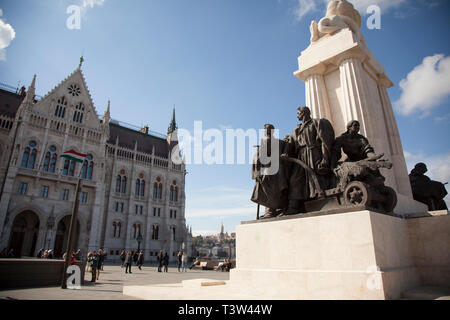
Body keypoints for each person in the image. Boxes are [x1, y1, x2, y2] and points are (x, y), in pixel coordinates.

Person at [282, 106, 335, 214]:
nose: (297, 115)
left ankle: (321, 202)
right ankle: (293, 207)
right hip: (301, 157)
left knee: (317, 177)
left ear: (304, 113)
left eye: (298, 113)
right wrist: (286, 153)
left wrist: (325, 159)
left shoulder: (316, 123)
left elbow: (324, 142)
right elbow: (290, 143)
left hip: (314, 153)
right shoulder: (297, 129)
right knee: (295, 179)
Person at [251, 124, 290, 218]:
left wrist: (257, 172)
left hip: (270, 170)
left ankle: (270, 211)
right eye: (265, 130)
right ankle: (272, 210)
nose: (266, 131)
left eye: (266, 130)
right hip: (276, 170)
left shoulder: (273, 142)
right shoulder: (281, 142)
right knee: (272, 190)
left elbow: (257, 158)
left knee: (268, 191)